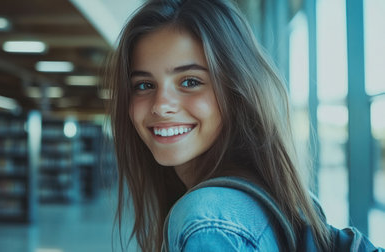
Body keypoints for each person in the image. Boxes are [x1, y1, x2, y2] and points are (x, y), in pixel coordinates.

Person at [104, 0, 331, 251]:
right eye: (144, 85)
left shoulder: (208, 222)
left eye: (190, 81)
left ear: (235, 91)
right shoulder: (274, 197)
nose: (161, 105)